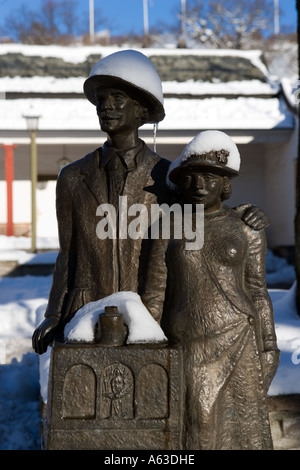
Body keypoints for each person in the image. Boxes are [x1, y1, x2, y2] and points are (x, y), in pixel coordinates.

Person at [32, 51, 269, 355]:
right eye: (101, 99)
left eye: (118, 98)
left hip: (146, 314)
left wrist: (240, 216)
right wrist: (53, 314)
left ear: (142, 110)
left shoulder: (167, 177)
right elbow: (68, 253)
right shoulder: (72, 177)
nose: (106, 106)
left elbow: (204, 218)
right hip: (85, 311)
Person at [143, 130, 280, 450]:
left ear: (225, 182)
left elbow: (258, 291)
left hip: (240, 339)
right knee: (198, 424)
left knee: (242, 428)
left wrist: (269, 345)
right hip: (188, 341)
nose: (199, 184)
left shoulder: (247, 227)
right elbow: (155, 290)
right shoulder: (168, 225)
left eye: (209, 176)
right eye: (190, 177)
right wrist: (147, 344)